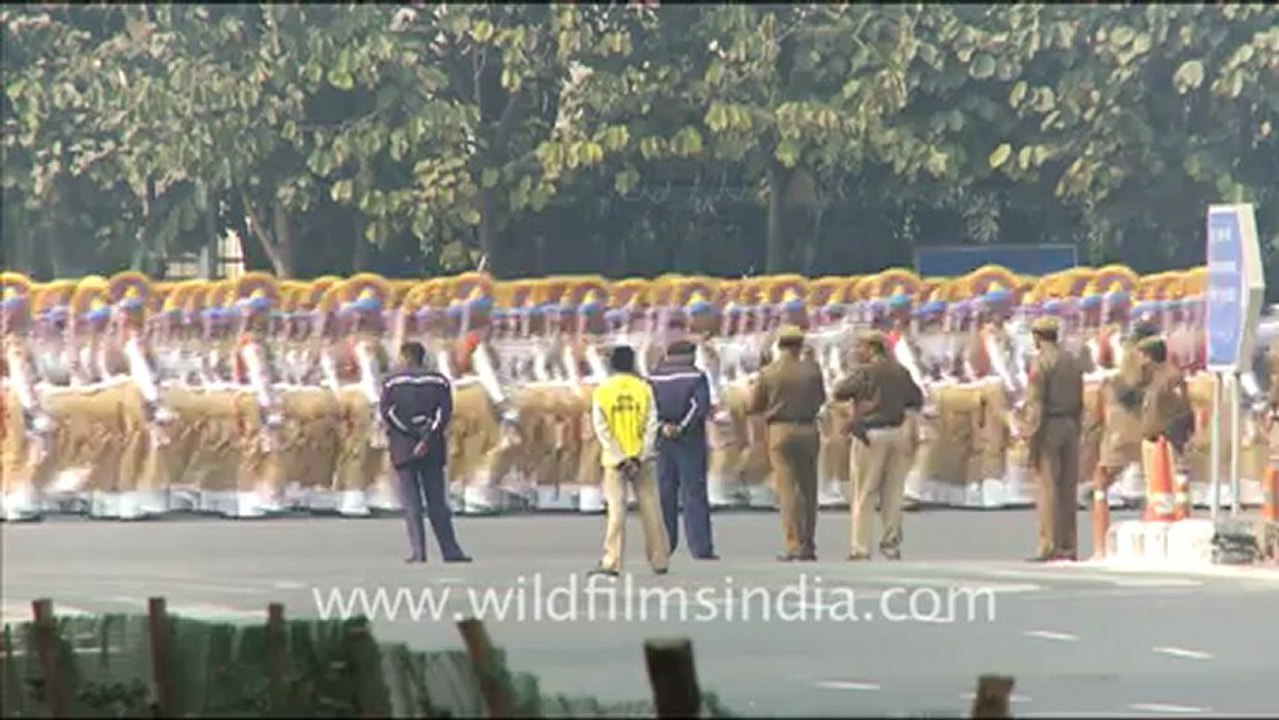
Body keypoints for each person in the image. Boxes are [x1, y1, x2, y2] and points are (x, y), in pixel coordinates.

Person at [833, 331, 923, 561]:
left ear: (871, 349)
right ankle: (891, 544)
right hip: (896, 432)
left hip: (871, 436)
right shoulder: (900, 371)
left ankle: (861, 547)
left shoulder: (864, 372)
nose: (857, 351)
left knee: (864, 492)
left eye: (860, 347)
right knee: (893, 493)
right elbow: (916, 398)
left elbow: (839, 392)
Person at [380, 341, 471, 564]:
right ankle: (450, 550)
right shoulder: (439, 381)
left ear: (404, 357)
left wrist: (410, 434)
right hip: (432, 447)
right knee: (437, 503)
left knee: (412, 504)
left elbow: (388, 414)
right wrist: (426, 437)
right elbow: (444, 413)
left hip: (403, 447)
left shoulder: (392, 382)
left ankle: (418, 552)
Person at [589, 345, 669, 577]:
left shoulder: (603, 391)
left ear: (611, 364)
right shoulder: (644, 389)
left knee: (616, 510)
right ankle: (659, 559)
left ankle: (611, 561)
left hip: (614, 461)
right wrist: (640, 454)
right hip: (643, 459)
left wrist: (619, 456)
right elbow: (652, 423)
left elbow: (601, 428)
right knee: (651, 508)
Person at [750, 324, 826, 561]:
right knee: (808, 489)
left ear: (779, 346)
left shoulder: (769, 373)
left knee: (786, 489)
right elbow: (821, 398)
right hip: (809, 427)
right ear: (800, 346)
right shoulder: (813, 371)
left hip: (780, 430)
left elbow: (754, 405)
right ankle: (808, 543)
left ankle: (792, 543)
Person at [649, 339, 717, 560]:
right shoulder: (696, 377)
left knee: (664, 493)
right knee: (694, 494)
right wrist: (680, 427)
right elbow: (700, 406)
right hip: (689, 442)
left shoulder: (653, 377)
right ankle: (700, 547)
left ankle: (664, 545)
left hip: (662, 440)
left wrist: (662, 426)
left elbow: (648, 407)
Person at [1024, 316, 1085, 562]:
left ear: (1037, 337)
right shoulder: (1071, 360)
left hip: (1049, 426)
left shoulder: (1040, 363)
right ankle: (1068, 545)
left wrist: (1031, 435)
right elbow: (1081, 399)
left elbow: (1036, 403)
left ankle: (1048, 544)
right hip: (1071, 424)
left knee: (1048, 488)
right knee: (1068, 489)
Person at [1136, 337, 1194, 510]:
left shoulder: (1172, 377)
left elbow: (1182, 408)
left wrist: (1175, 435)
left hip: (1168, 438)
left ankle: (1178, 511)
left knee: (1175, 479)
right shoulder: (1152, 377)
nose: (1139, 361)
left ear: (1149, 357)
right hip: (1153, 439)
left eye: (1141, 356)